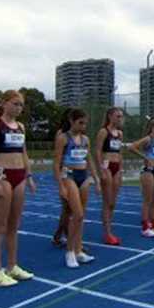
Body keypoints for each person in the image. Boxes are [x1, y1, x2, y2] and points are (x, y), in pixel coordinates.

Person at [0, 90, 36, 287]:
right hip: (2, 176)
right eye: (15, 104)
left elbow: (24, 153)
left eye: (21, 105)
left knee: (14, 225)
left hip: (19, 176)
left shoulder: (21, 127)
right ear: (4, 103)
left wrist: (29, 176)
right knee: (0, 225)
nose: (18, 108)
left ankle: (12, 266)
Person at [54, 109, 100, 268]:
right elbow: (56, 163)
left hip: (84, 175)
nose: (83, 126)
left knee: (81, 216)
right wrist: (60, 185)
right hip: (69, 175)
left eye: (85, 123)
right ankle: (70, 251)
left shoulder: (86, 139)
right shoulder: (63, 138)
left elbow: (89, 160)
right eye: (80, 123)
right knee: (77, 214)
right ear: (72, 121)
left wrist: (96, 180)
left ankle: (79, 250)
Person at [128, 116, 154, 237]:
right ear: (153, 127)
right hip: (148, 170)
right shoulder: (148, 139)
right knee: (147, 199)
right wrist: (144, 157)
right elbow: (131, 147)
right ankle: (145, 227)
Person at [95, 107, 124, 245]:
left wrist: (121, 169)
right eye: (117, 116)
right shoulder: (103, 132)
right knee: (107, 202)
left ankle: (109, 230)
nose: (120, 119)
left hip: (116, 167)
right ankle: (107, 233)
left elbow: (120, 152)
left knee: (112, 202)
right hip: (107, 166)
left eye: (121, 116)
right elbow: (97, 151)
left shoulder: (119, 134)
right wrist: (101, 170)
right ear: (110, 116)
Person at [51, 108, 72, 247]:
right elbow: (57, 158)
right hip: (65, 174)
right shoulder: (62, 134)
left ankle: (58, 235)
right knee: (68, 207)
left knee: (68, 209)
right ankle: (71, 239)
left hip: (76, 174)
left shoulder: (79, 135)